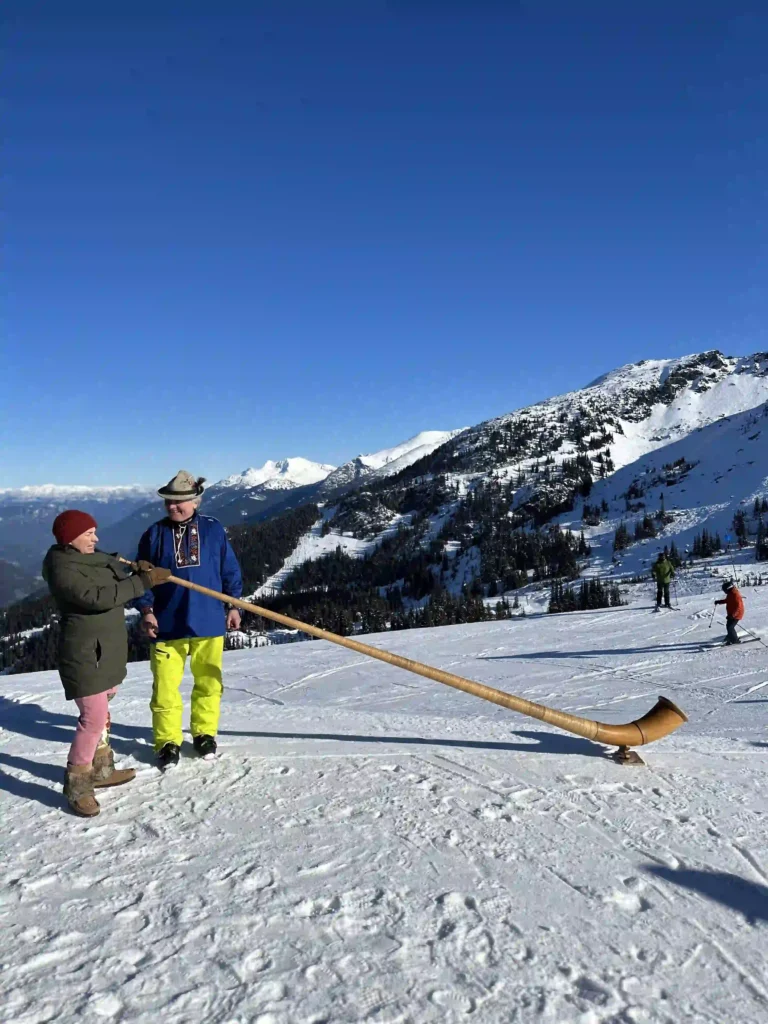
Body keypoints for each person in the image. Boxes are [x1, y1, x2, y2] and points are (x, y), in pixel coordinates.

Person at [42, 510, 171, 816]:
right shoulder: (62, 568)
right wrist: (143, 582)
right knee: (93, 717)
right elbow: (97, 597)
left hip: (105, 650)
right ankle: (78, 784)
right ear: (70, 538)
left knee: (104, 708)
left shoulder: (87, 556)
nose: (95, 538)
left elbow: (110, 564)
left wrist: (137, 568)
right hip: (84, 653)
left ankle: (101, 770)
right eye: (89, 534)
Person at [134, 470, 243, 768]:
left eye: (179, 501)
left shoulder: (213, 530)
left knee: (209, 682)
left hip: (208, 621)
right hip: (167, 624)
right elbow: (140, 578)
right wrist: (147, 610)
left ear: (196, 501)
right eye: (168, 501)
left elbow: (229, 569)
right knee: (166, 689)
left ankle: (204, 733)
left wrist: (234, 605)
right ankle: (167, 741)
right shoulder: (154, 534)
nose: (172, 507)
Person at [714, 579, 745, 645]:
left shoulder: (735, 595)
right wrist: (719, 602)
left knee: (730, 627)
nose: (724, 592)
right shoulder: (731, 593)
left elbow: (738, 607)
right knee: (729, 626)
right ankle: (730, 636)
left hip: (736, 614)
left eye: (724, 590)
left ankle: (735, 640)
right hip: (731, 614)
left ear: (728, 589)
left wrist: (733, 615)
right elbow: (728, 600)